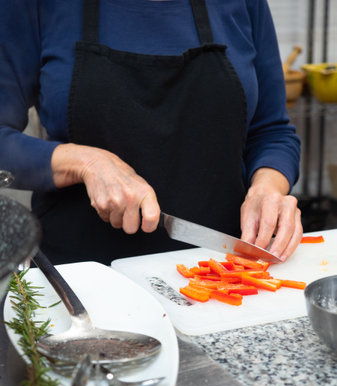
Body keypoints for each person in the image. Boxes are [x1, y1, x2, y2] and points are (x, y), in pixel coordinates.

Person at [0, 0, 302, 266]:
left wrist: (267, 188)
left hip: (223, 275)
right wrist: (85, 162)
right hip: (81, 284)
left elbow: (271, 130)